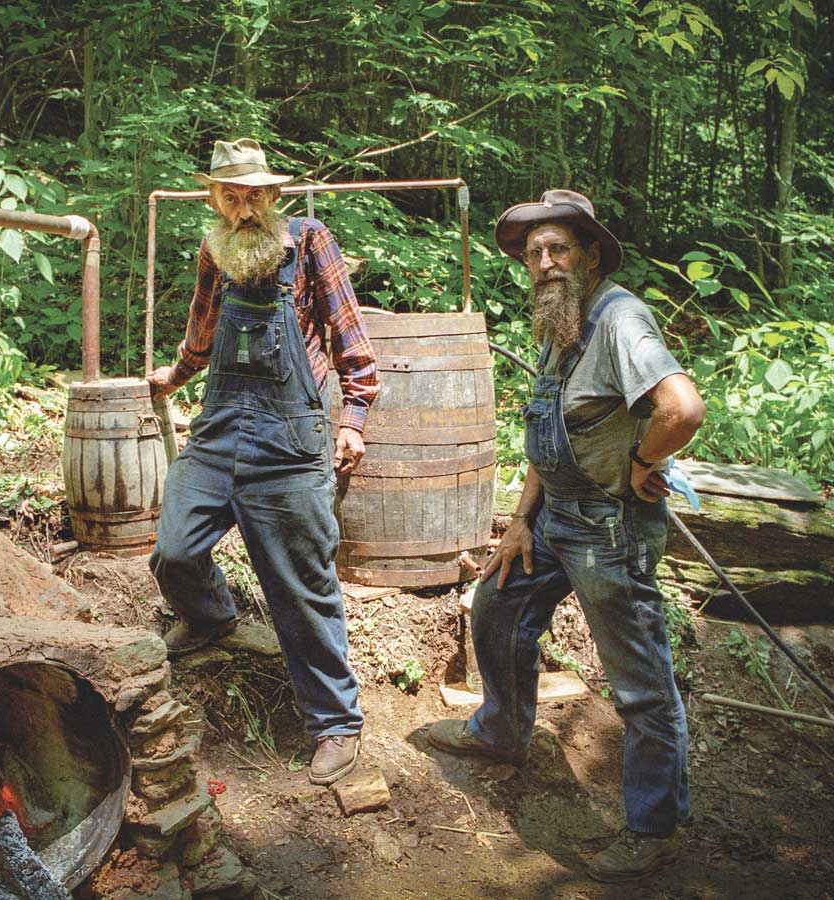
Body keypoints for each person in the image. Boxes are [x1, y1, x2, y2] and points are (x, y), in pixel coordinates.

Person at [424, 189, 706, 882]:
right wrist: (520, 521)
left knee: (639, 686)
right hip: (556, 521)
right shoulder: (563, 326)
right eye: (532, 254)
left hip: (610, 532)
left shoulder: (620, 320)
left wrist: (644, 463)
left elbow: (682, 408)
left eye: (557, 250)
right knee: (497, 605)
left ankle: (655, 828)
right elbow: (549, 436)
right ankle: (501, 731)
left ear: (589, 255)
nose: (544, 263)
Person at [146, 138, 378, 786]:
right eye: (230, 194)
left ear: (273, 195)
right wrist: (174, 375)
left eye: (254, 194)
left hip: (290, 443)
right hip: (220, 432)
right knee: (174, 548)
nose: (243, 207)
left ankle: (337, 723)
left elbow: (354, 346)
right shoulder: (213, 251)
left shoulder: (308, 242)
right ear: (214, 197)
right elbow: (202, 334)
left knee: (301, 585)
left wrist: (354, 421)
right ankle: (212, 616)